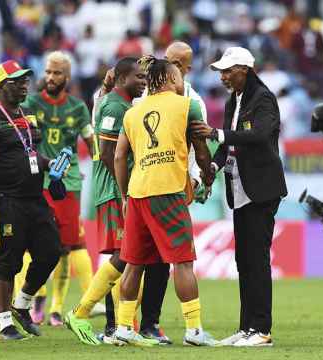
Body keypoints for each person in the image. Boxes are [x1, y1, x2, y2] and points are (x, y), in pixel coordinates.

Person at [112, 55, 216, 347]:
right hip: (168, 191)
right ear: (171, 78)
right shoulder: (187, 105)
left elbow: (120, 156)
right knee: (183, 263)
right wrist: (207, 174)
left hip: (137, 192)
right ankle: (194, 331)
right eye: (180, 77)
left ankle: (122, 327)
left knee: (133, 263)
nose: (183, 83)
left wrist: (124, 195)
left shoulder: (133, 112)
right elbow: (202, 149)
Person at [191, 47, 287, 346]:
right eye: (221, 71)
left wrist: (216, 134)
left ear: (245, 68)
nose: (223, 76)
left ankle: (262, 330)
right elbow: (229, 146)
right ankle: (247, 328)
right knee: (243, 261)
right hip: (240, 189)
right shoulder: (235, 98)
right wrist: (214, 166)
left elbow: (259, 136)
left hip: (261, 190)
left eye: (228, 70)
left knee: (257, 260)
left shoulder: (264, 98)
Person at [0, 60, 69, 340]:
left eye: (26, 79)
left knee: (51, 252)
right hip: (7, 201)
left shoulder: (29, 116)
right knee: (8, 262)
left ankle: (21, 305)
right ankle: (4, 323)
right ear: (3, 86)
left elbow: (29, 153)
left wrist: (49, 163)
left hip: (35, 199)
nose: (26, 84)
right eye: (18, 80)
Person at [64, 57, 148, 346]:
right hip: (114, 191)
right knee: (126, 256)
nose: (144, 81)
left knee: (130, 257)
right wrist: (126, 192)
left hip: (120, 190)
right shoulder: (114, 106)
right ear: (123, 78)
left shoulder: (120, 104)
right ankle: (82, 313)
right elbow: (113, 154)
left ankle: (121, 328)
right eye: (139, 77)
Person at [19, 51, 95, 326]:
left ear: (67, 76)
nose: (51, 77)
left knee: (67, 245)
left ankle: (56, 308)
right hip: (37, 179)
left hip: (69, 181)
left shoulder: (77, 107)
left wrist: (100, 165)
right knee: (32, 244)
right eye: (48, 72)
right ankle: (36, 298)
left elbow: (92, 142)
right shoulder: (30, 103)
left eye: (57, 73)